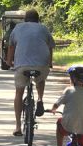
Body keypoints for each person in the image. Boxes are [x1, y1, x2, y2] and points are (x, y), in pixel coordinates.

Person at [6, 8, 55, 137]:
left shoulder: (18, 28)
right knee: (40, 79)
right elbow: (50, 47)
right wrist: (49, 63)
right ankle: (40, 99)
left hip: (22, 65)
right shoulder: (43, 28)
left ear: (25, 19)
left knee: (19, 92)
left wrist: (8, 61)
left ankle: (18, 127)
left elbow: (11, 46)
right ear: (38, 19)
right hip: (41, 64)